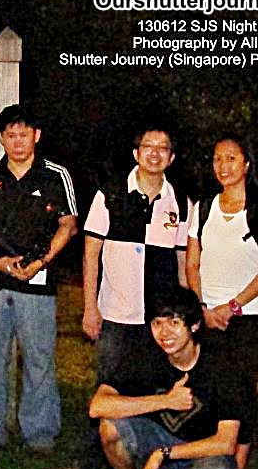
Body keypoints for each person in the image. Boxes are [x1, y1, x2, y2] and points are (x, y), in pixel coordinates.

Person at [0, 104, 77, 452]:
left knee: (39, 360)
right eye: (10, 135)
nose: (17, 141)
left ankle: (39, 434)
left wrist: (40, 262)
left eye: (24, 134)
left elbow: (68, 225)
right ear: (2, 138)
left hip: (37, 283)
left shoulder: (56, 175)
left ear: (36, 136)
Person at [89, 287, 243, 469]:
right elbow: (97, 407)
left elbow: (226, 442)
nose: (164, 333)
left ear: (194, 326)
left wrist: (164, 453)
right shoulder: (145, 354)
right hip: (156, 438)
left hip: (202, 451)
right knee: (109, 427)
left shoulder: (222, 365)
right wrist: (166, 401)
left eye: (174, 323)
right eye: (157, 323)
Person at [185, 136, 258, 469]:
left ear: (246, 164)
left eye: (231, 159)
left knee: (239, 394)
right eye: (217, 159)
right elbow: (192, 263)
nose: (223, 166)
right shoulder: (203, 207)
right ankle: (209, 467)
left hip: (246, 318)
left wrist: (233, 306)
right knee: (208, 392)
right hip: (207, 316)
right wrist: (203, 306)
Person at [82, 127, 191, 382]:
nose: (155, 154)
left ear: (171, 157)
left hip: (161, 318)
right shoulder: (109, 194)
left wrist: (186, 313)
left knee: (157, 388)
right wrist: (90, 308)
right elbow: (90, 255)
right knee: (111, 388)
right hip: (115, 315)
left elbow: (183, 261)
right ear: (136, 153)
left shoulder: (181, 203)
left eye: (162, 148)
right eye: (148, 146)